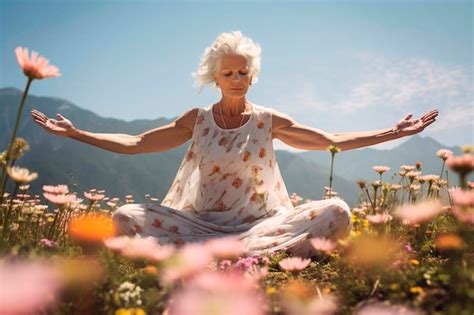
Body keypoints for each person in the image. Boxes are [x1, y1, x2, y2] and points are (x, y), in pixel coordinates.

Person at [30, 31, 438, 258]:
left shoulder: (268, 120)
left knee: (338, 210)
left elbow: (329, 140)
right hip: (198, 224)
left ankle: (235, 252)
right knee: (122, 216)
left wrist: (393, 133)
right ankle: (237, 254)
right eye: (229, 73)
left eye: (243, 71)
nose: (237, 78)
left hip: (262, 225)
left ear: (252, 76)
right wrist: (77, 133)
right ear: (216, 77)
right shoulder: (197, 120)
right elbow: (137, 142)